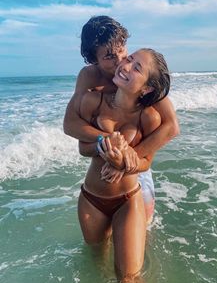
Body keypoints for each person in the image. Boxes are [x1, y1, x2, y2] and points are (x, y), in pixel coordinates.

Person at [63, 15, 179, 224]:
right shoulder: (90, 77)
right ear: (94, 59)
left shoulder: (138, 78)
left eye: (121, 50)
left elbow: (171, 126)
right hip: (106, 164)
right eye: (109, 56)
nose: (120, 61)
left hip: (137, 161)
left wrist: (127, 159)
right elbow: (71, 124)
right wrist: (111, 141)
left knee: (143, 224)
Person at [78, 48, 170, 283]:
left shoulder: (148, 117)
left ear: (147, 88)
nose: (126, 65)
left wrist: (126, 163)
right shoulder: (93, 100)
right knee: (97, 264)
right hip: (91, 199)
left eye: (137, 67)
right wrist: (104, 148)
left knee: (128, 281)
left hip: (127, 201)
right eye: (130, 59)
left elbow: (146, 162)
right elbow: (82, 148)